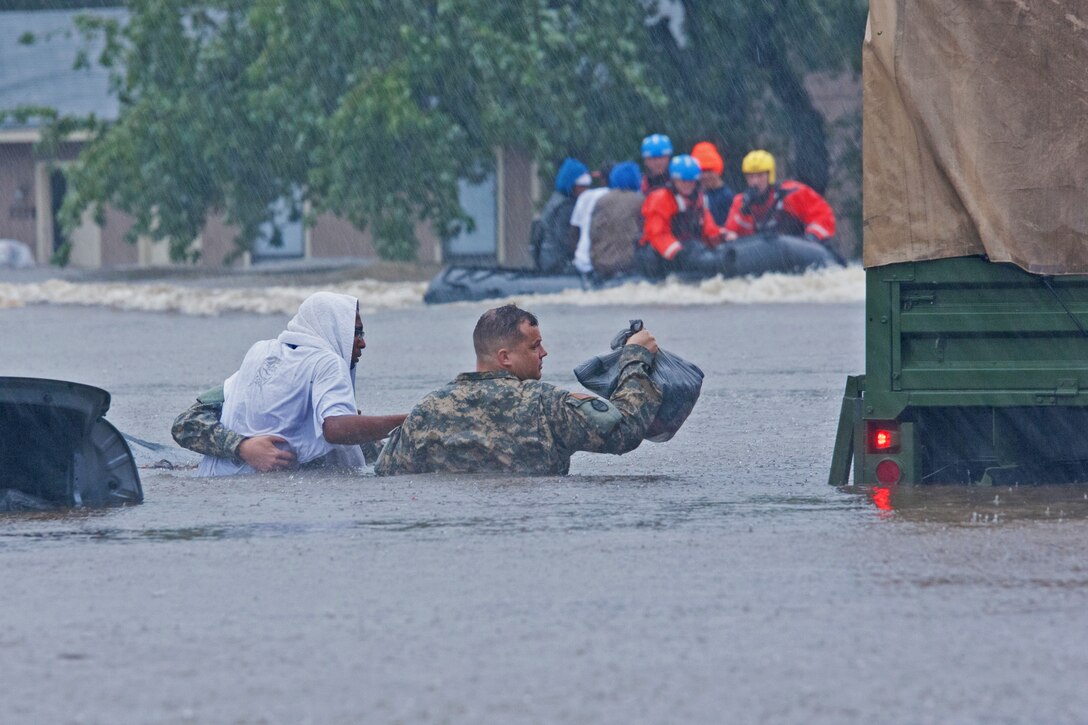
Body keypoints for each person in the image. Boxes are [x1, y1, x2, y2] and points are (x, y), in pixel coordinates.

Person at [374, 304, 662, 476]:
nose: (544, 353)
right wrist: (635, 357)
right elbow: (625, 431)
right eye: (534, 346)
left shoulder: (428, 410)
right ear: (505, 357)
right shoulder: (546, 404)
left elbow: (387, 473)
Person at [173, 292, 406, 475]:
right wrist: (243, 447)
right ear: (335, 330)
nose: (362, 343)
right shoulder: (313, 362)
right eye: (356, 333)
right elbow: (186, 423)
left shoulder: (267, 354)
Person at [723, 150, 837, 248]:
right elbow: (731, 232)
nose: (755, 182)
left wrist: (812, 237)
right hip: (762, 255)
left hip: (799, 247)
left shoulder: (791, 193)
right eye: (751, 177)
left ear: (770, 176)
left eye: (760, 176)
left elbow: (823, 215)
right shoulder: (741, 203)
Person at [637, 154, 726, 277]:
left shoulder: (699, 199)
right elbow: (657, 234)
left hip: (688, 251)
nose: (687, 184)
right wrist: (678, 253)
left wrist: (721, 236)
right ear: (674, 180)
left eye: (691, 181)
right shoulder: (660, 198)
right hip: (659, 256)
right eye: (683, 181)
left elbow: (708, 227)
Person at [570, 161, 641, 279]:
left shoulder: (588, 196)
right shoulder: (637, 200)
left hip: (587, 263)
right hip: (619, 267)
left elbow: (575, 233)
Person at [534, 157, 592, 273]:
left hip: (546, 258)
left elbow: (539, 236)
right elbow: (565, 238)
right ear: (572, 186)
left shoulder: (555, 199)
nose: (585, 190)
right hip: (558, 262)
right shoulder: (567, 206)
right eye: (582, 187)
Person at [691, 141, 734, 225]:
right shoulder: (694, 195)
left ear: (718, 170)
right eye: (702, 171)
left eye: (709, 170)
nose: (705, 176)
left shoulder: (727, 196)